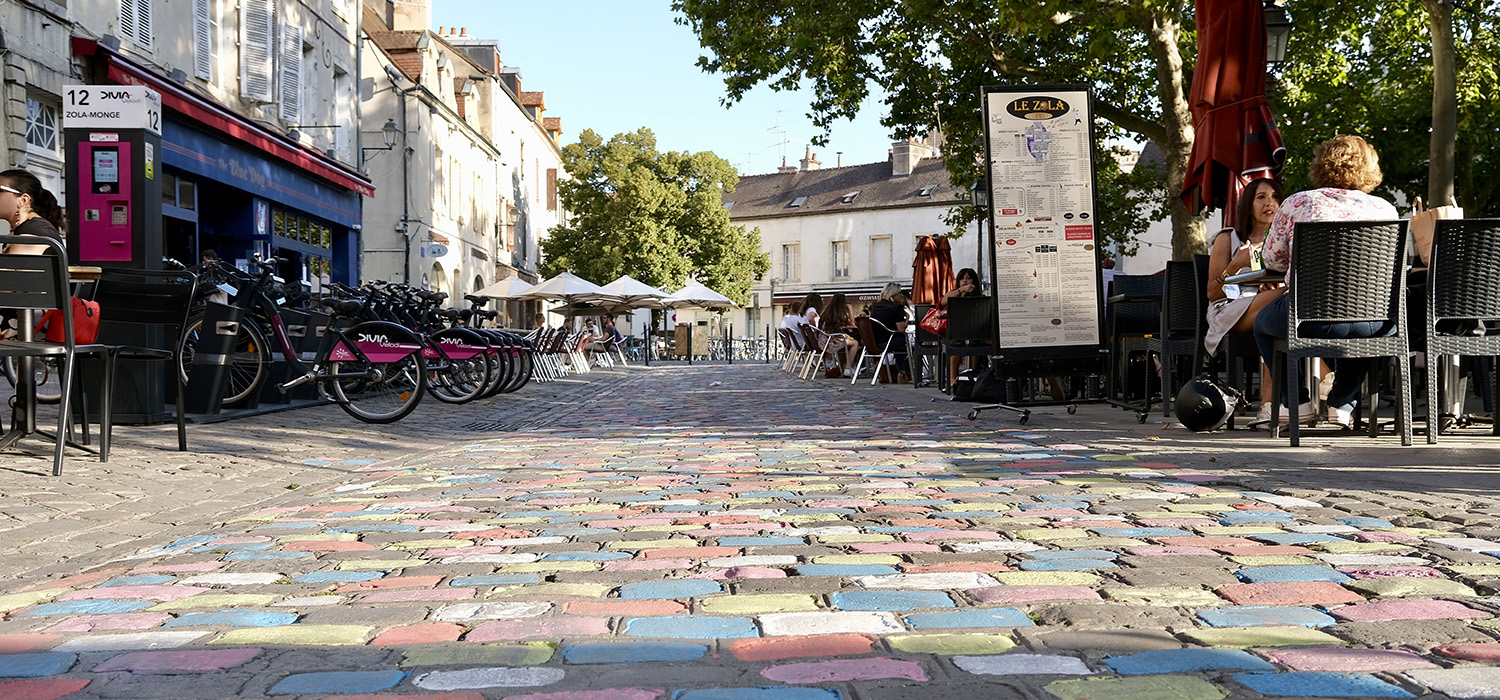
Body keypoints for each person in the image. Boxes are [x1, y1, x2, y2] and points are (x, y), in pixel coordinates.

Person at [1253, 135, 1400, 429]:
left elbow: (1272, 260)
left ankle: (1297, 402)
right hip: (1373, 319)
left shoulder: (1298, 203)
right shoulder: (1386, 210)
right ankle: (1342, 405)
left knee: (1262, 325)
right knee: (1358, 327)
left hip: (1308, 315)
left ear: (1322, 165)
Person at [1204, 178, 1285, 428]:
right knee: (1291, 297)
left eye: (1274, 197)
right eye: (1261, 197)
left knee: (1278, 317)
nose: (1269, 203)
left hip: (1269, 308)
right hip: (1228, 310)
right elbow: (1212, 292)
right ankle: (1324, 384)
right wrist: (1235, 265)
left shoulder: (1284, 243)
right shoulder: (1228, 238)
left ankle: (1273, 407)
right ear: (1248, 204)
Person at [1, 169, 67, 340]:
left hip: (29, 319)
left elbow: (6, 284)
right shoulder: (29, 227)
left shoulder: (32, 232)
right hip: (25, 314)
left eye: (0, 191)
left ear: (23, 200)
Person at [943, 267, 983, 391]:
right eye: (962, 278)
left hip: (976, 333)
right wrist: (961, 290)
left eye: (968, 278)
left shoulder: (980, 298)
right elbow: (943, 301)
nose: (965, 281)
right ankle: (952, 381)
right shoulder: (954, 295)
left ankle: (973, 376)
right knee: (957, 344)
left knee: (975, 343)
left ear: (974, 281)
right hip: (957, 334)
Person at [867, 282, 910, 381]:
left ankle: (881, 366)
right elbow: (901, 329)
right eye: (899, 293)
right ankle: (902, 372)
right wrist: (907, 318)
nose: (901, 295)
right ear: (893, 294)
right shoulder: (896, 308)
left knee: (900, 340)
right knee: (903, 339)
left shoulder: (875, 306)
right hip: (887, 342)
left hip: (873, 343)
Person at [819, 292, 860, 375]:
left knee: (847, 341)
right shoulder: (839, 314)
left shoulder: (827, 313)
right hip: (830, 342)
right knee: (855, 343)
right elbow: (852, 322)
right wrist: (850, 308)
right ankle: (848, 368)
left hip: (823, 341)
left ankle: (844, 365)